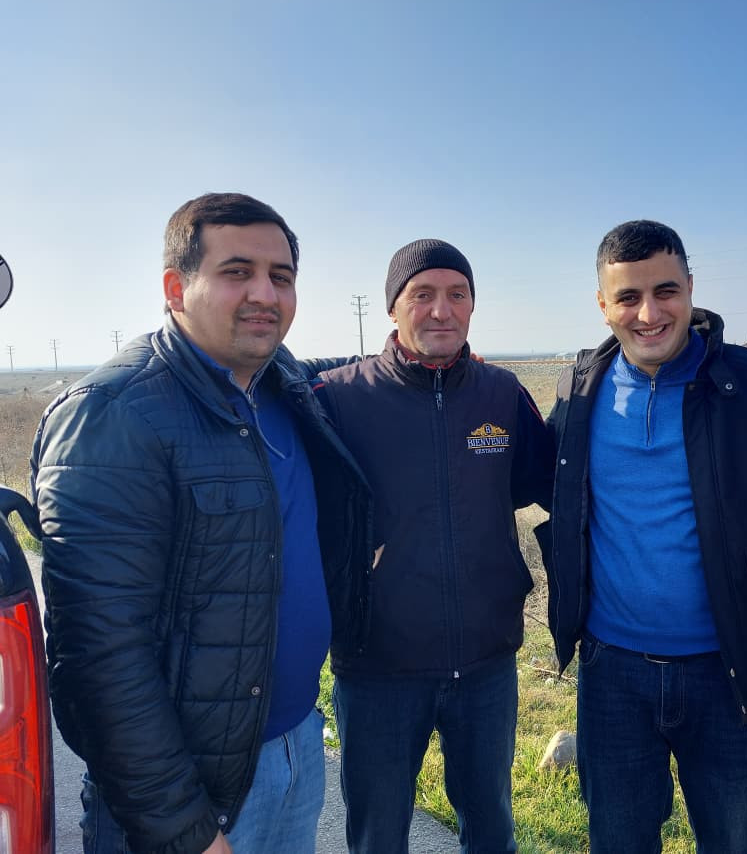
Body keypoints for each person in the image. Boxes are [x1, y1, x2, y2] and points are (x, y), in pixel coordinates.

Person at [32, 193, 371, 854]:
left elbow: (342, 370)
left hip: (297, 748)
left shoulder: (280, 383)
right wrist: (183, 828)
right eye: (236, 271)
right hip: (191, 795)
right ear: (174, 288)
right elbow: (99, 659)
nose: (264, 294)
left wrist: (425, 350)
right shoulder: (114, 415)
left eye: (280, 276)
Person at [541, 219, 747, 852]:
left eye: (665, 291)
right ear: (602, 305)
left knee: (733, 839)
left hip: (731, 672)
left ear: (691, 287)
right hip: (612, 674)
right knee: (618, 839)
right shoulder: (578, 392)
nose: (649, 313)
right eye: (628, 297)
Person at [314, 238, 553, 853]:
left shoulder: (502, 395)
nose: (441, 310)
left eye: (457, 294)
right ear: (393, 308)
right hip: (377, 667)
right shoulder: (337, 398)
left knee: (492, 829)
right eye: (422, 294)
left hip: (486, 665)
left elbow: (548, 485)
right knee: (378, 836)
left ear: (473, 305)